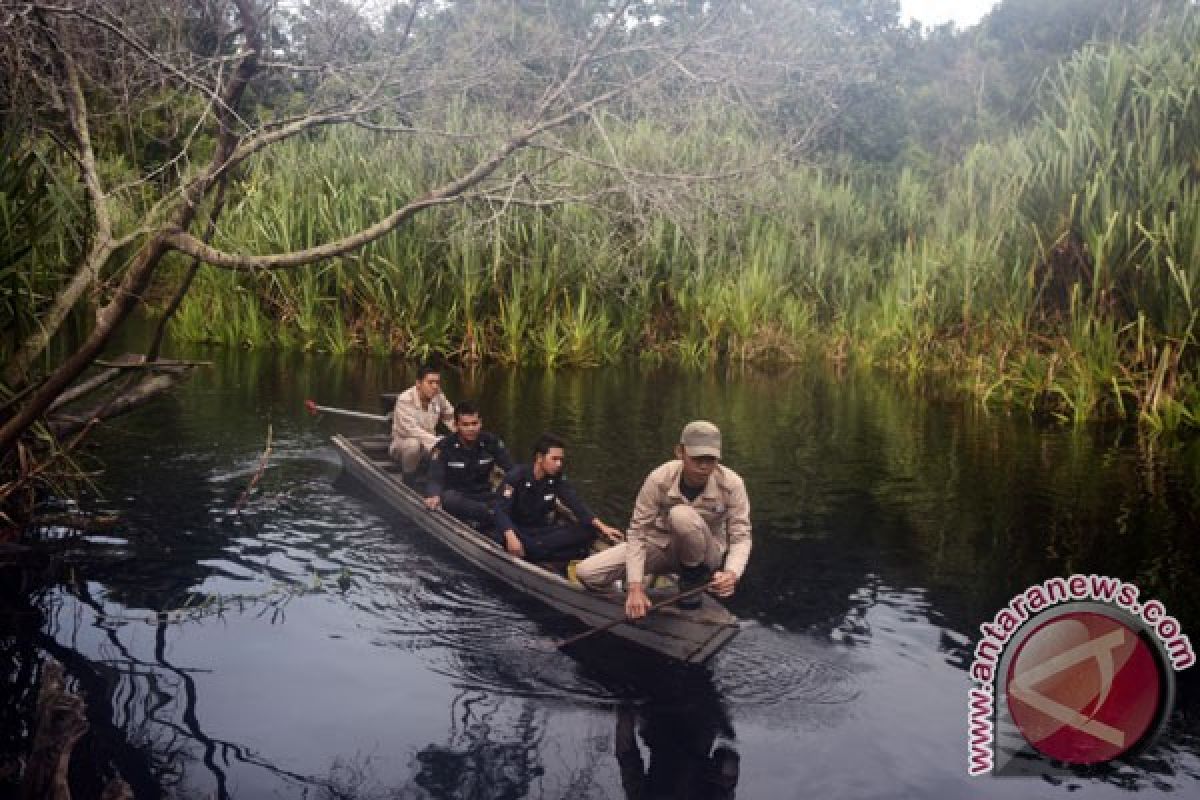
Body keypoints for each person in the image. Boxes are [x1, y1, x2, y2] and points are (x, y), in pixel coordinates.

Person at [575, 420, 751, 618]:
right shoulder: (659, 478)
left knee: (681, 515)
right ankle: (632, 604)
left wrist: (731, 573)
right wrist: (635, 587)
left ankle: (691, 580)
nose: (703, 466)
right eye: (697, 458)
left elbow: (741, 537)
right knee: (587, 573)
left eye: (710, 459)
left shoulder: (732, 484)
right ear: (680, 452)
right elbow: (638, 533)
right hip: (660, 546)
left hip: (704, 557)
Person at [492, 433, 624, 563]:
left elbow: (575, 502)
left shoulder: (556, 478)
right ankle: (571, 554)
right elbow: (500, 510)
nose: (559, 464)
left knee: (590, 531)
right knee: (531, 547)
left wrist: (603, 527)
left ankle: (551, 553)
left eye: (561, 459)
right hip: (519, 531)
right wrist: (511, 537)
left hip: (542, 531)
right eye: (554, 459)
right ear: (539, 457)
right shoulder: (516, 477)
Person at [424, 401, 513, 529]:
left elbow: (511, 469)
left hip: (485, 495)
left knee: (511, 489)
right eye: (465, 425)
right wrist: (433, 494)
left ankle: (492, 514)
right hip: (459, 497)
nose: (471, 429)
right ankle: (492, 515)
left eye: (474, 423)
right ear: (456, 425)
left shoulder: (491, 442)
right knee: (448, 499)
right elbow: (435, 477)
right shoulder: (444, 447)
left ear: (480, 423)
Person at [389, 365, 456, 476]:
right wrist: (438, 443)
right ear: (418, 383)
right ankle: (408, 478)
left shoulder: (439, 395)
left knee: (454, 443)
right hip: (403, 444)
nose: (435, 386)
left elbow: (451, 417)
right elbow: (411, 430)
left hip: (429, 444)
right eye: (430, 382)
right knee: (413, 445)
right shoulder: (405, 399)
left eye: (437, 382)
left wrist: (464, 435)